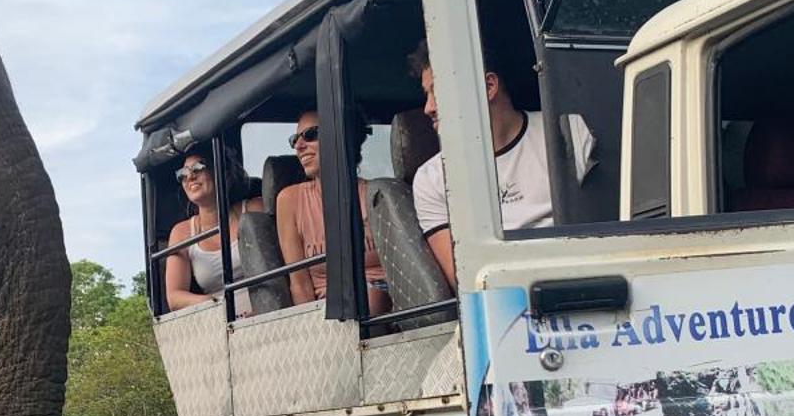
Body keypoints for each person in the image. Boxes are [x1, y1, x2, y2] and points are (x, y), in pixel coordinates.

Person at [407, 38, 551, 288]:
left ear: (488, 86)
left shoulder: (567, 134)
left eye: (437, 91)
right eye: (426, 94)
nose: (428, 108)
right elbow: (470, 281)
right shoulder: (432, 179)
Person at [273, 109, 390, 315]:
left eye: (310, 135)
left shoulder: (378, 193)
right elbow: (299, 284)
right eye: (294, 140)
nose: (299, 147)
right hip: (330, 311)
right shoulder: (289, 201)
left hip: (386, 300)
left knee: (373, 297)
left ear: (342, 135)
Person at [162, 153, 259, 313]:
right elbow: (175, 297)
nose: (190, 177)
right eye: (183, 173)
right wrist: (216, 304)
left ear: (224, 173)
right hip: (219, 322)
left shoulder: (255, 208)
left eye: (198, 167)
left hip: (269, 311)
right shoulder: (181, 233)